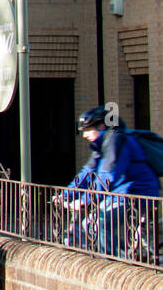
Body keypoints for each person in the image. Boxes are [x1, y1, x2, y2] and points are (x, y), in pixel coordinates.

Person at [58, 106, 160, 256]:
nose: (84, 135)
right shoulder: (101, 145)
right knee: (90, 223)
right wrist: (66, 194)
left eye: (87, 130)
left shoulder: (115, 140)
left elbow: (108, 175)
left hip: (136, 192)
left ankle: (121, 263)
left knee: (98, 223)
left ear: (101, 126)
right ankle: (122, 256)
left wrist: (86, 200)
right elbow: (87, 172)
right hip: (120, 192)